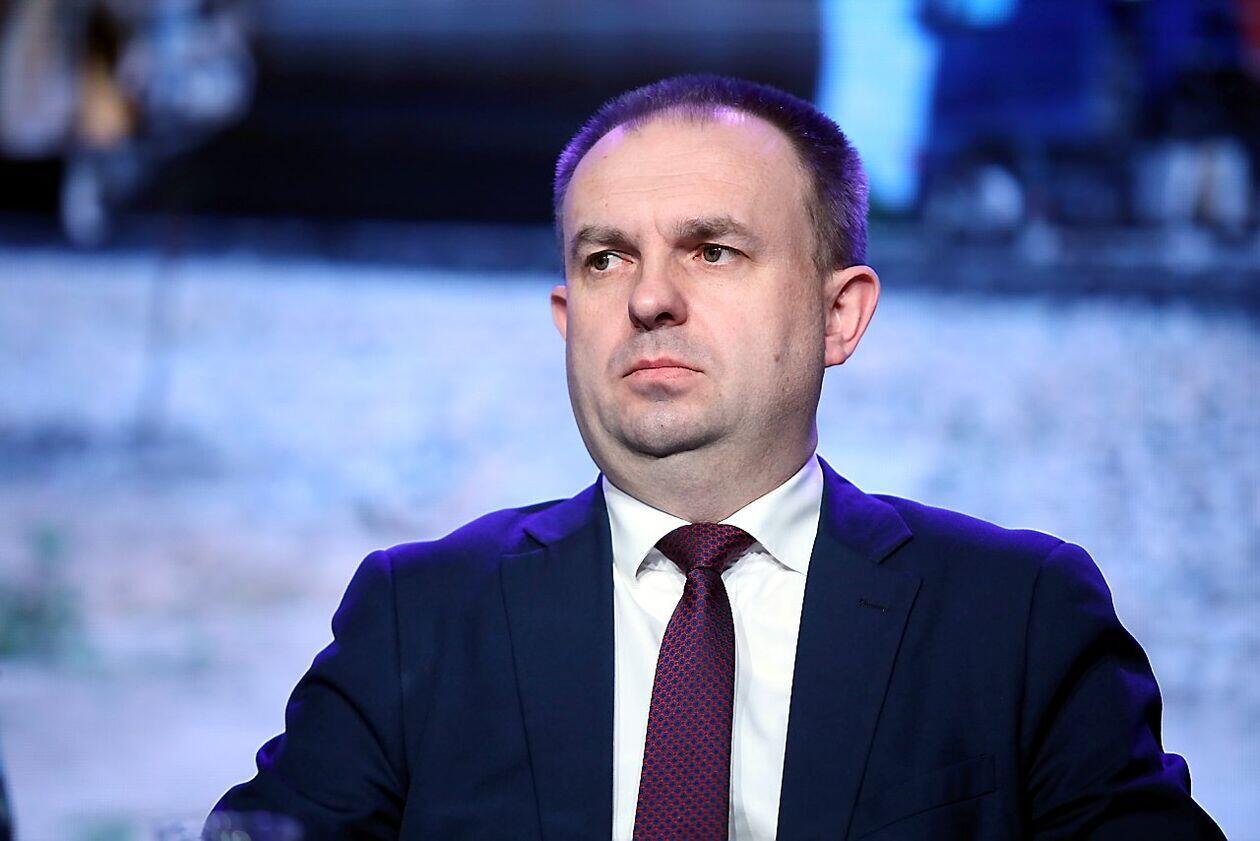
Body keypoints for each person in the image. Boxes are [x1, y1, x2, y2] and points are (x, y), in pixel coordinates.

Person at [209, 75, 1225, 840]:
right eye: (606, 258)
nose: (649, 298)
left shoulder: (1018, 620)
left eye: (712, 250)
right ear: (566, 319)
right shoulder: (419, 616)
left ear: (840, 313)